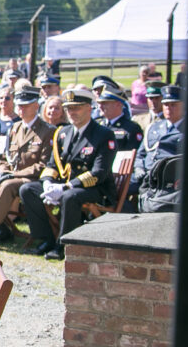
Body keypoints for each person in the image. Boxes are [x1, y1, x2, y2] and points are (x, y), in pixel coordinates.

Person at [18, 87, 116, 260]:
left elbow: (99, 173)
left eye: (76, 108)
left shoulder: (103, 134)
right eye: (69, 108)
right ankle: (46, 239)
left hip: (95, 189)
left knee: (69, 196)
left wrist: (66, 186)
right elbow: (52, 164)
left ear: (89, 108)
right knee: (28, 189)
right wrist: (48, 182)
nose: (72, 112)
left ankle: (63, 245)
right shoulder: (63, 133)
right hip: (66, 185)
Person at [0, 86, 55, 249]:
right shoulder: (15, 128)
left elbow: (43, 165)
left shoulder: (47, 131)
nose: (21, 109)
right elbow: (3, 157)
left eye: (26, 105)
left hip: (29, 179)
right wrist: (2, 171)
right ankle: (1, 228)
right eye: (19, 105)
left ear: (36, 106)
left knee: (7, 185)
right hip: (10, 174)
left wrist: (13, 175)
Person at [131, 85, 184, 194]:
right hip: (144, 176)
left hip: (168, 179)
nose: (168, 108)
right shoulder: (154, 127)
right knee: (115, 189)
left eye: (173, 105)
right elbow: (140, 154)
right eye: (165, 105)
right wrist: (138, 168)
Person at [96, 85, 144, 151]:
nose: (100, 107)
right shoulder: (97, 124)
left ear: (118, 104)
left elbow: (131, 154)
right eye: (99, 103)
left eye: (104, 103)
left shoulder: (131, 128)